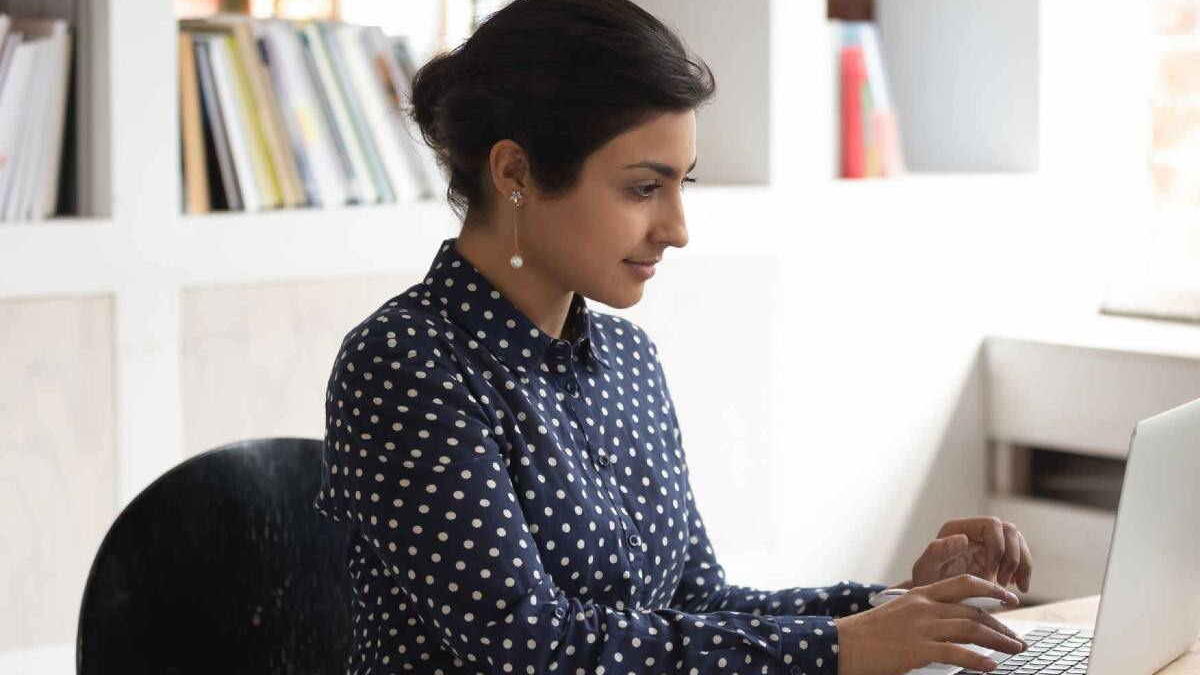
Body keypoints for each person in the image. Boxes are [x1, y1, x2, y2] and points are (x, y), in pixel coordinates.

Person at [313, 1, 1034, 673]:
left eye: (683, 183)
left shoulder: (629, 360)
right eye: (642, 188)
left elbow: (695, 604)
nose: (678, 229)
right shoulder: (404, 364)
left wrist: (901, 605)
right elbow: (527, 644)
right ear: (515, 172)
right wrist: (841, 647)